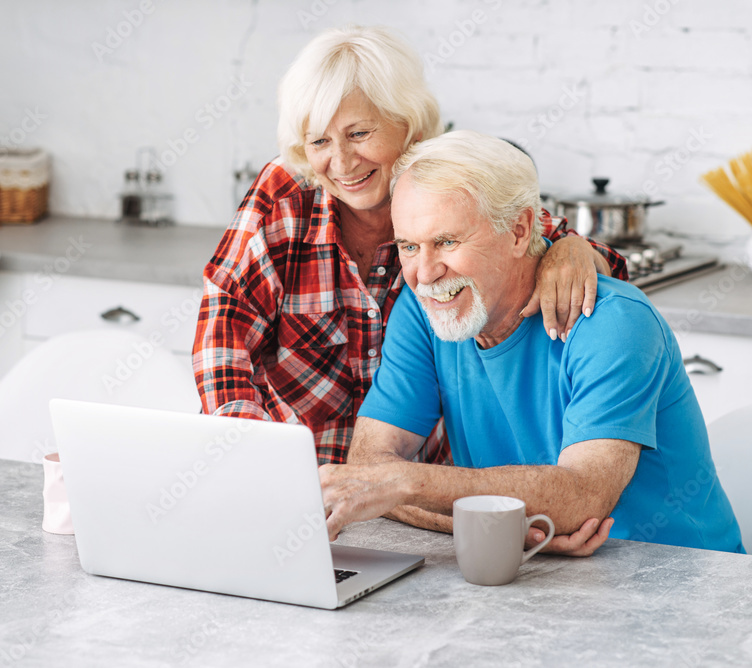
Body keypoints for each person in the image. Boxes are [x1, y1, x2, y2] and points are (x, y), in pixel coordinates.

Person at [193, 25, 627, 468]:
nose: (341, 162)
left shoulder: (441, 181)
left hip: (424, 490)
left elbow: (557, 244)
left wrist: (570, 249)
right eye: (319, 140)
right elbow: (223, 340)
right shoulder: (283, 198)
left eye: (359, 133)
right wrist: (245, 456)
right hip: (301, 482)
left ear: (409, 124)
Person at [320, 130, 744, 554]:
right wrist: (507, 525)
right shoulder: (425, 310)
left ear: (520, 230)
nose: (425, 273)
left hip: (682, 584)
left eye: (447, 241)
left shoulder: (613, 322)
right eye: (409, 246)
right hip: (538, 575)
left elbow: (583, 497)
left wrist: (404, 484)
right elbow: (367, 469)